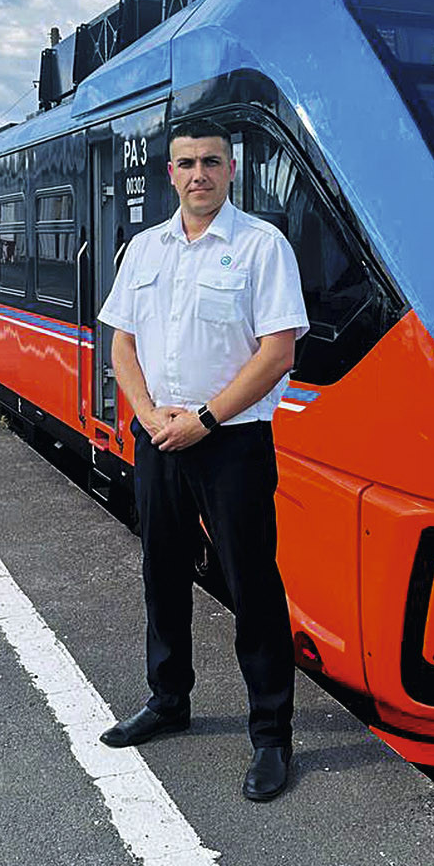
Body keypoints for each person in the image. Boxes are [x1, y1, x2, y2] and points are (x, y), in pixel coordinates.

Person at [96, 119, 309, 802]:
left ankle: (271, 735)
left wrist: (206, 419)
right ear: (170, 173)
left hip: (231, 443)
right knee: (161, 572)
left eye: (211, 162)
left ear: (231, 169)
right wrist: (147, 414)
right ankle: (168, 700)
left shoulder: (261, 246)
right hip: (159, 435)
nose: (199, 174)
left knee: (253, 586)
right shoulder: (145, 249)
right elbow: (122, 343)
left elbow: (278, 352)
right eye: (186, 163)